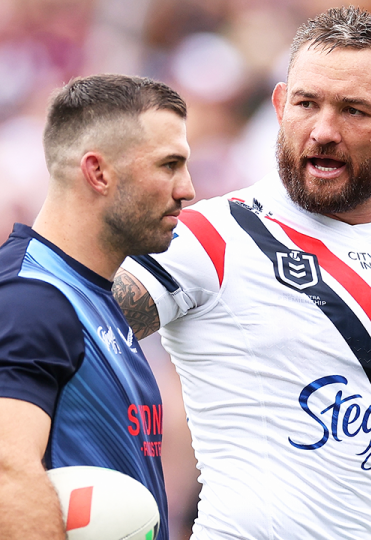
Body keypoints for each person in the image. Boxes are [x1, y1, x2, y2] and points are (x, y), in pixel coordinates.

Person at [111, 7, 371, 539]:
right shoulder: (209, 236)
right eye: (307, 104)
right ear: (281, 106)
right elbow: (64, 327)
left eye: (354, 111)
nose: (323, 131)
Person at [0, 74, 194, 540]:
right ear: (98, 172)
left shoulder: (92, 297)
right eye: (169, 165)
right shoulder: (31, 299)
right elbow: (7, 470)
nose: (186, 189)